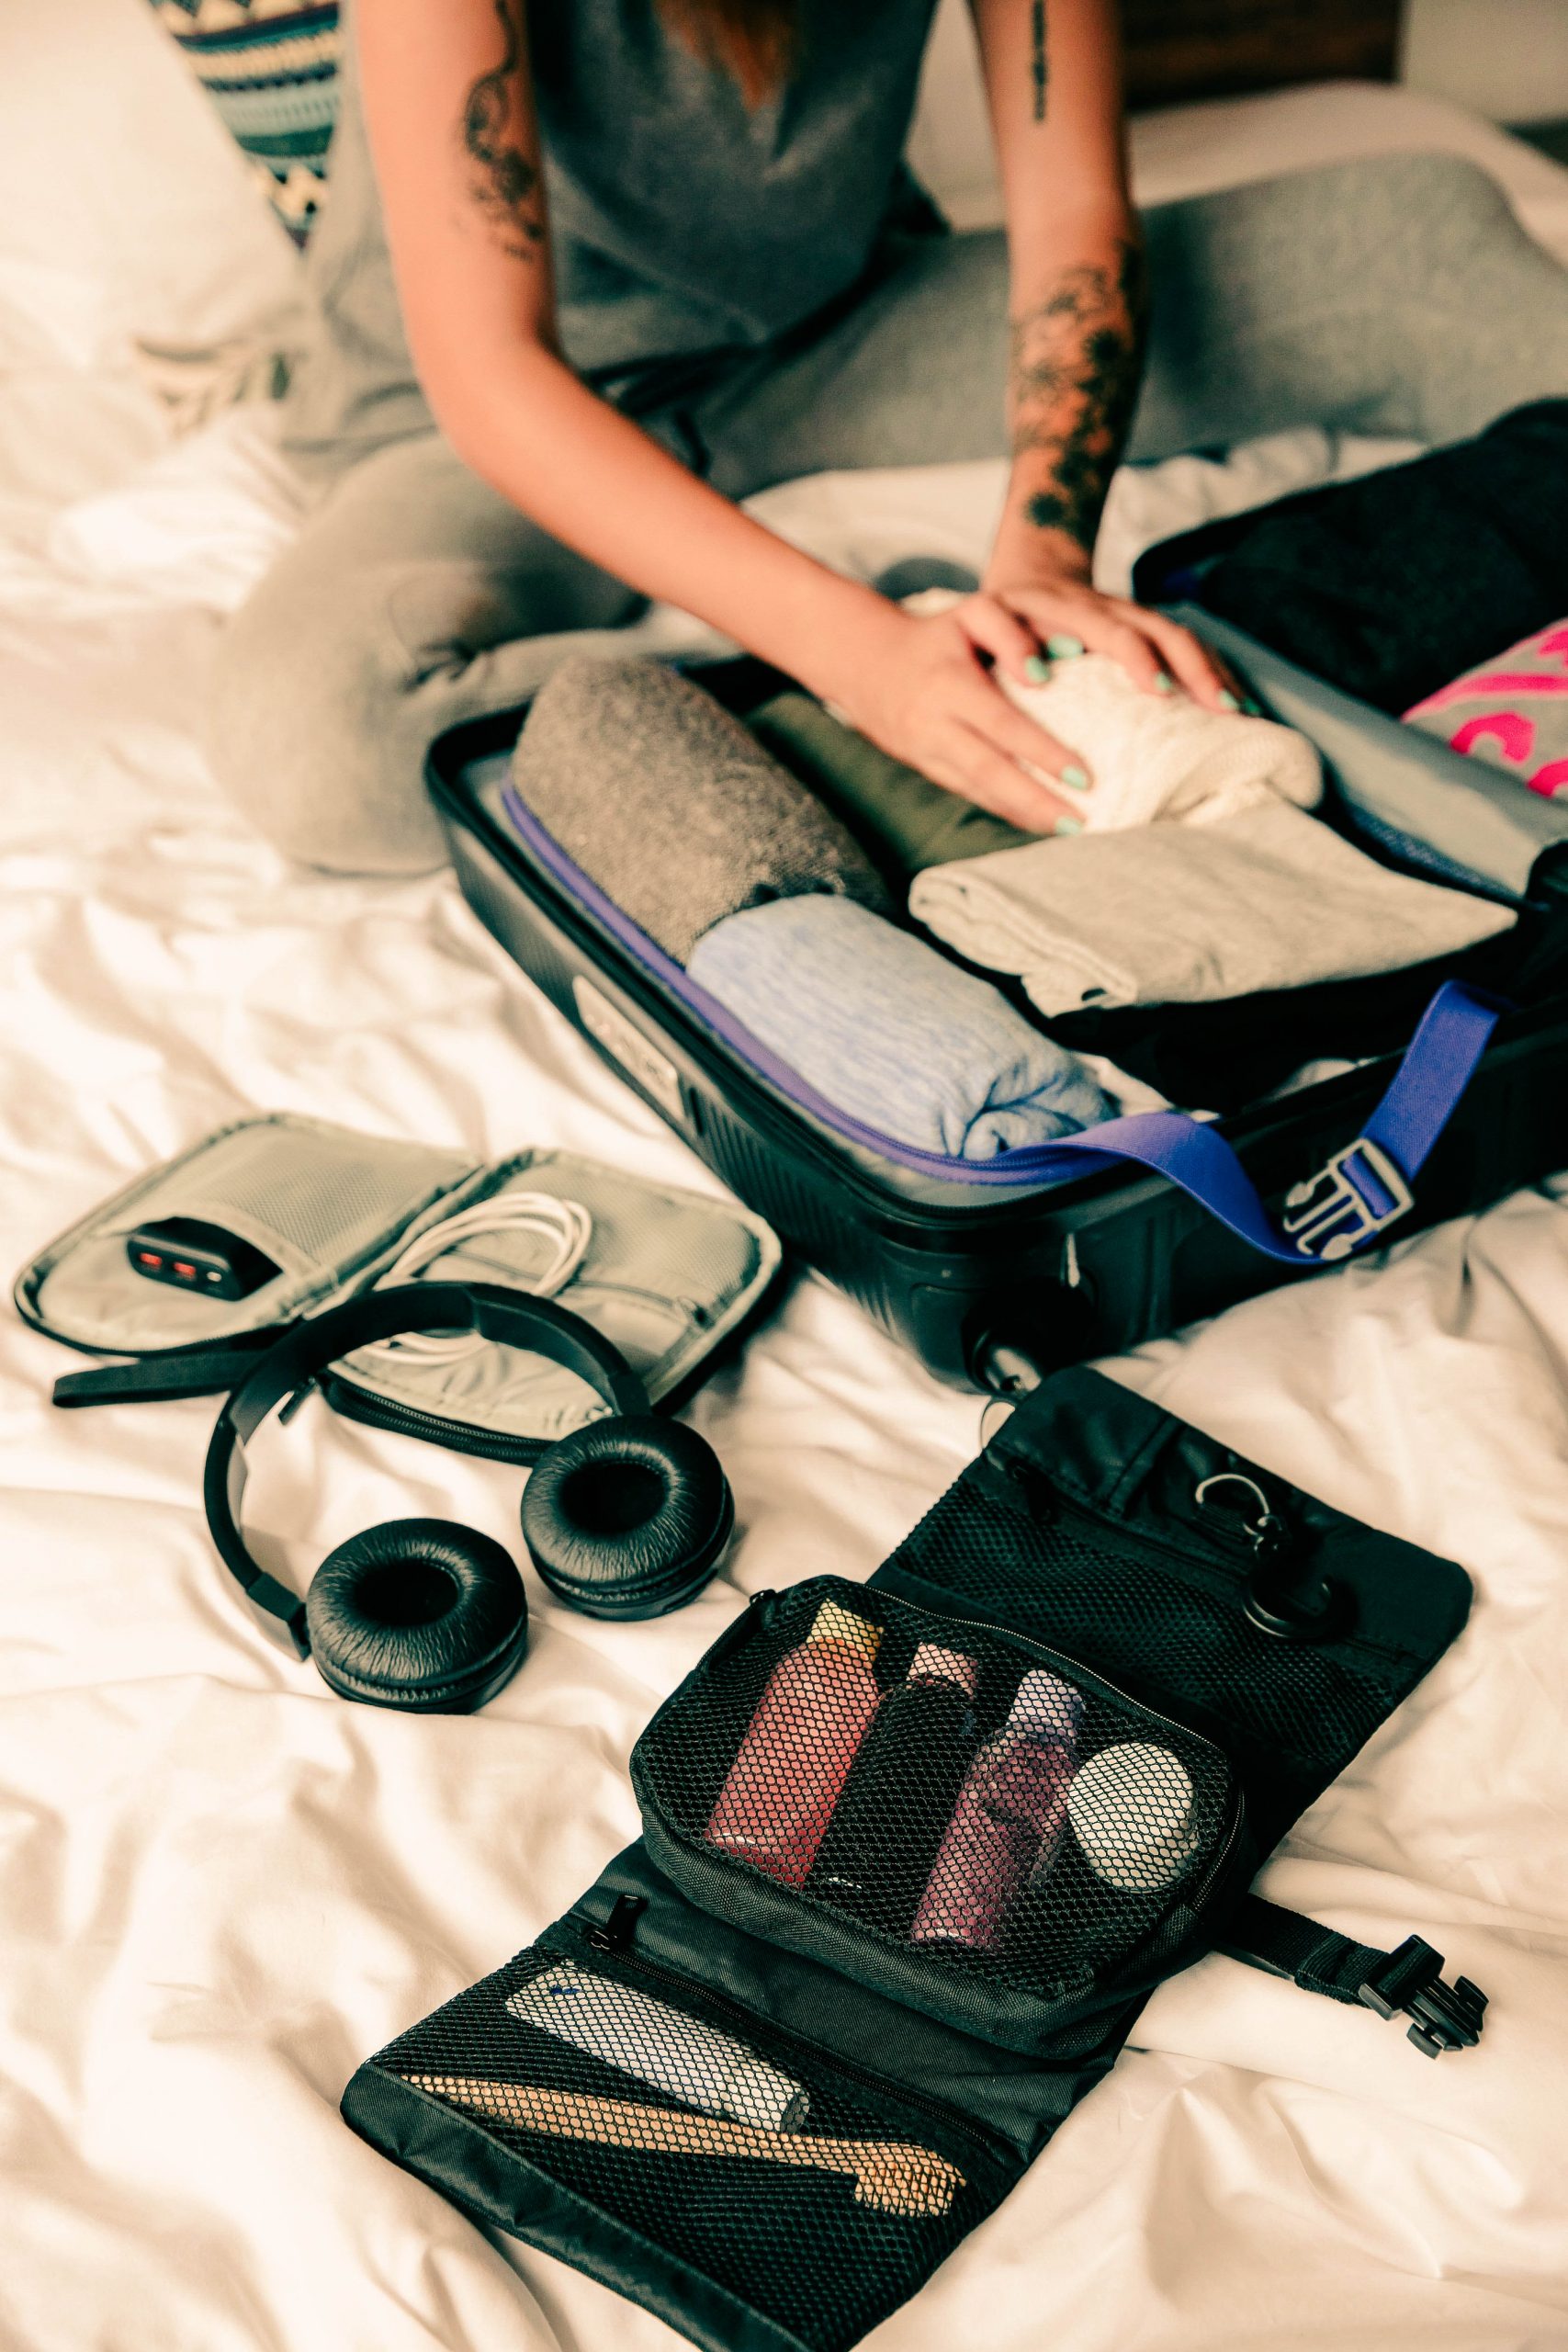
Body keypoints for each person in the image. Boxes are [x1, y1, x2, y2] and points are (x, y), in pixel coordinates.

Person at [210, 0, 1568, 874]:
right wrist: (861, 655)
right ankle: (916, 698)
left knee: (1421, 236)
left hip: (834, 337)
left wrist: (1043, 558)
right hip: (488, 417)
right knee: (320, 740)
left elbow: (1072, 215)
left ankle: (958, 671)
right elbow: (494, 374)